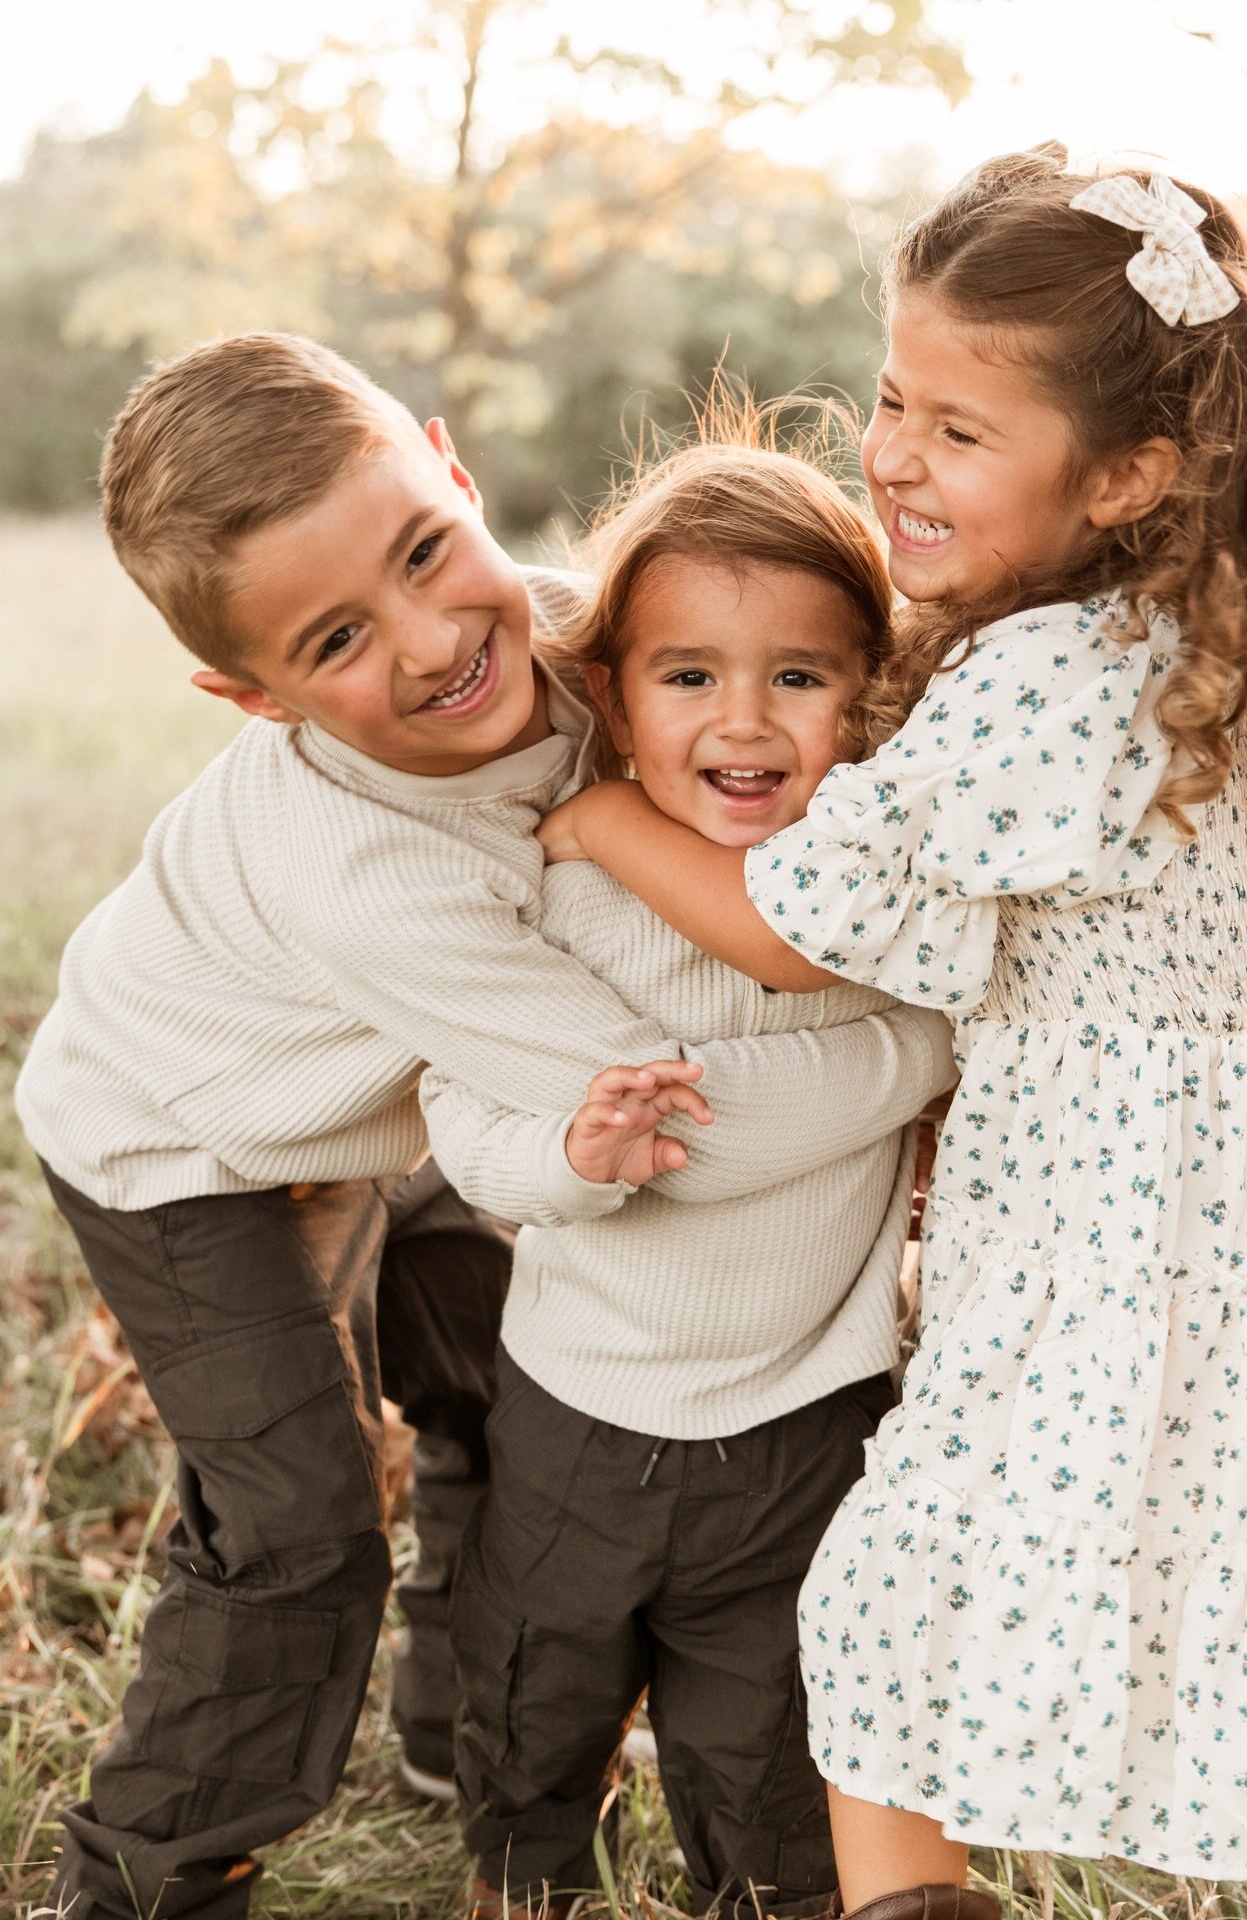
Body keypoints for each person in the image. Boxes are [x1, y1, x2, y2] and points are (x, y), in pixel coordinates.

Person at [16, 332, 953, 1920]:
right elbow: (665, 1119)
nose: (440, 635)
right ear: (253, 698)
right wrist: (934, 1054)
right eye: (338, 637)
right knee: (301, 1526)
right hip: (171, 1140)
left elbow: (778, 672)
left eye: (427, 550)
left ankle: (462, 1730)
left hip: (398, 1098)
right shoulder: (378, 878)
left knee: (477, 1380)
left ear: (453, 471)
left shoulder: (591, 635)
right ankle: (144, 1884)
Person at [536, 145, 1247, 1915]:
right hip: (1198, 1227)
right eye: (890, 397)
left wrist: (596, 818)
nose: (894, 456)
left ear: (1136, 471)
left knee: (893, 1616)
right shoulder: (1192, 651)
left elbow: (791, 930)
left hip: (1107, 1250)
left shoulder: (1042, 683)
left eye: (959, 428)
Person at [420, 431, 959, 1920]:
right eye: (689, 676)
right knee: (535, 1703)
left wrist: (692, 1124)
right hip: (579, 1413)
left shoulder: (878, 908)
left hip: (804, 1418)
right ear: (611, 690)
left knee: (766, 1747)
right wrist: (577, 1156)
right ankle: (521, 1888)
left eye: (800, 676)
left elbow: (913, 1053)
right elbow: (467, 1120)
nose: (748, 720)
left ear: (870, 695)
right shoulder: (570, 892)